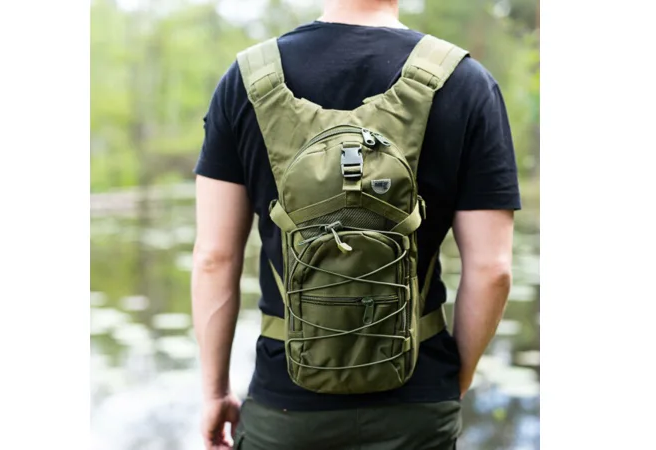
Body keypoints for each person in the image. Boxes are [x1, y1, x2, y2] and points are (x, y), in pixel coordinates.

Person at [191, 0, 520, 448]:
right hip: (417, 409)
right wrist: (447, 383)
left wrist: (215, 392)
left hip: (285, 411)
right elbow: (492, 269)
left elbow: (214, 258)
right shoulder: (465, 82)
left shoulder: (245, 81)